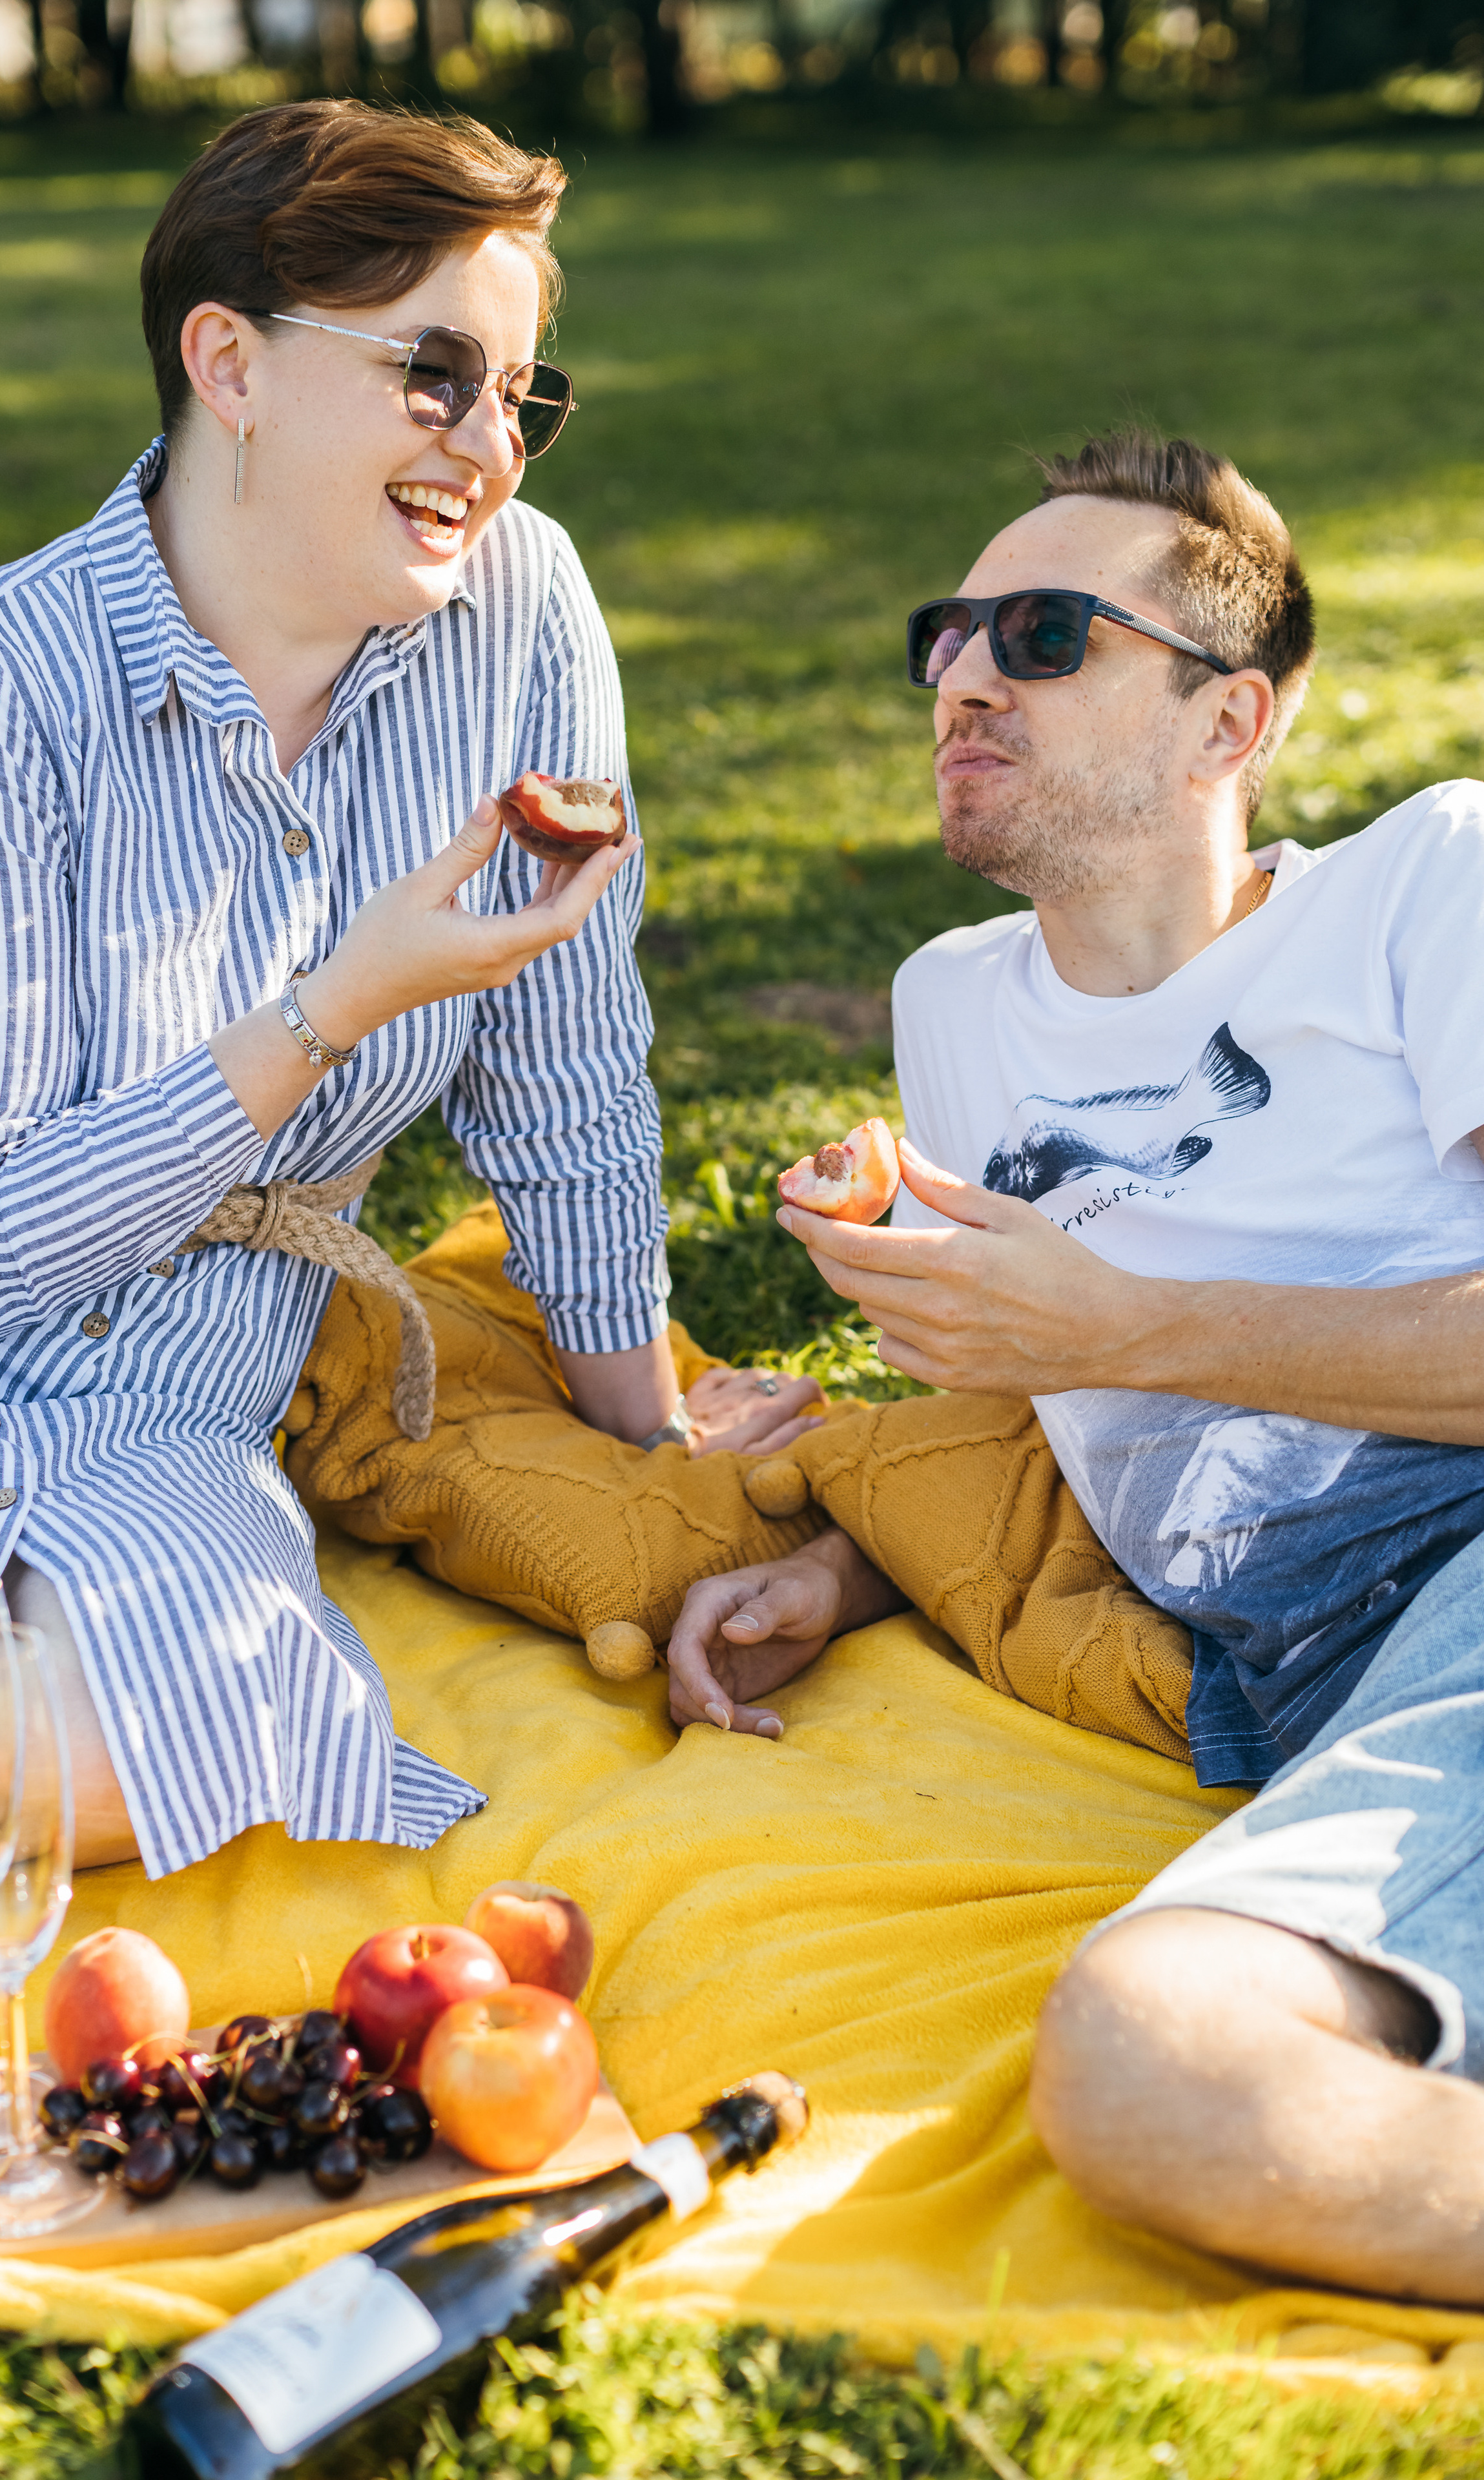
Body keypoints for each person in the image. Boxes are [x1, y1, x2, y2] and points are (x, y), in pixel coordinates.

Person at [0, 99, 816, 1896]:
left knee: (180, 1728)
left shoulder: (523, 610)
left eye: (521, 394)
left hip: (176, 1412)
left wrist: (647, 1438)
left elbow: (568, 1068)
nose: (491, 449)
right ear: (231, 365)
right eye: (435, 377)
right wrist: (332, 1008)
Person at [665, 428, 1484, 2304]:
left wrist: (1130, 1325)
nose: (963, 676)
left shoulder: (1425, 889)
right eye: (945, 635)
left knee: (1165, 2066)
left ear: (1228, 723)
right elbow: (1048, 1399)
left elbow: (1106, 1340)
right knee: (1173, 2073)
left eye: (1042, 634)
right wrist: (852, 1567)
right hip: (1323, 1693)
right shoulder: (955, 1006)